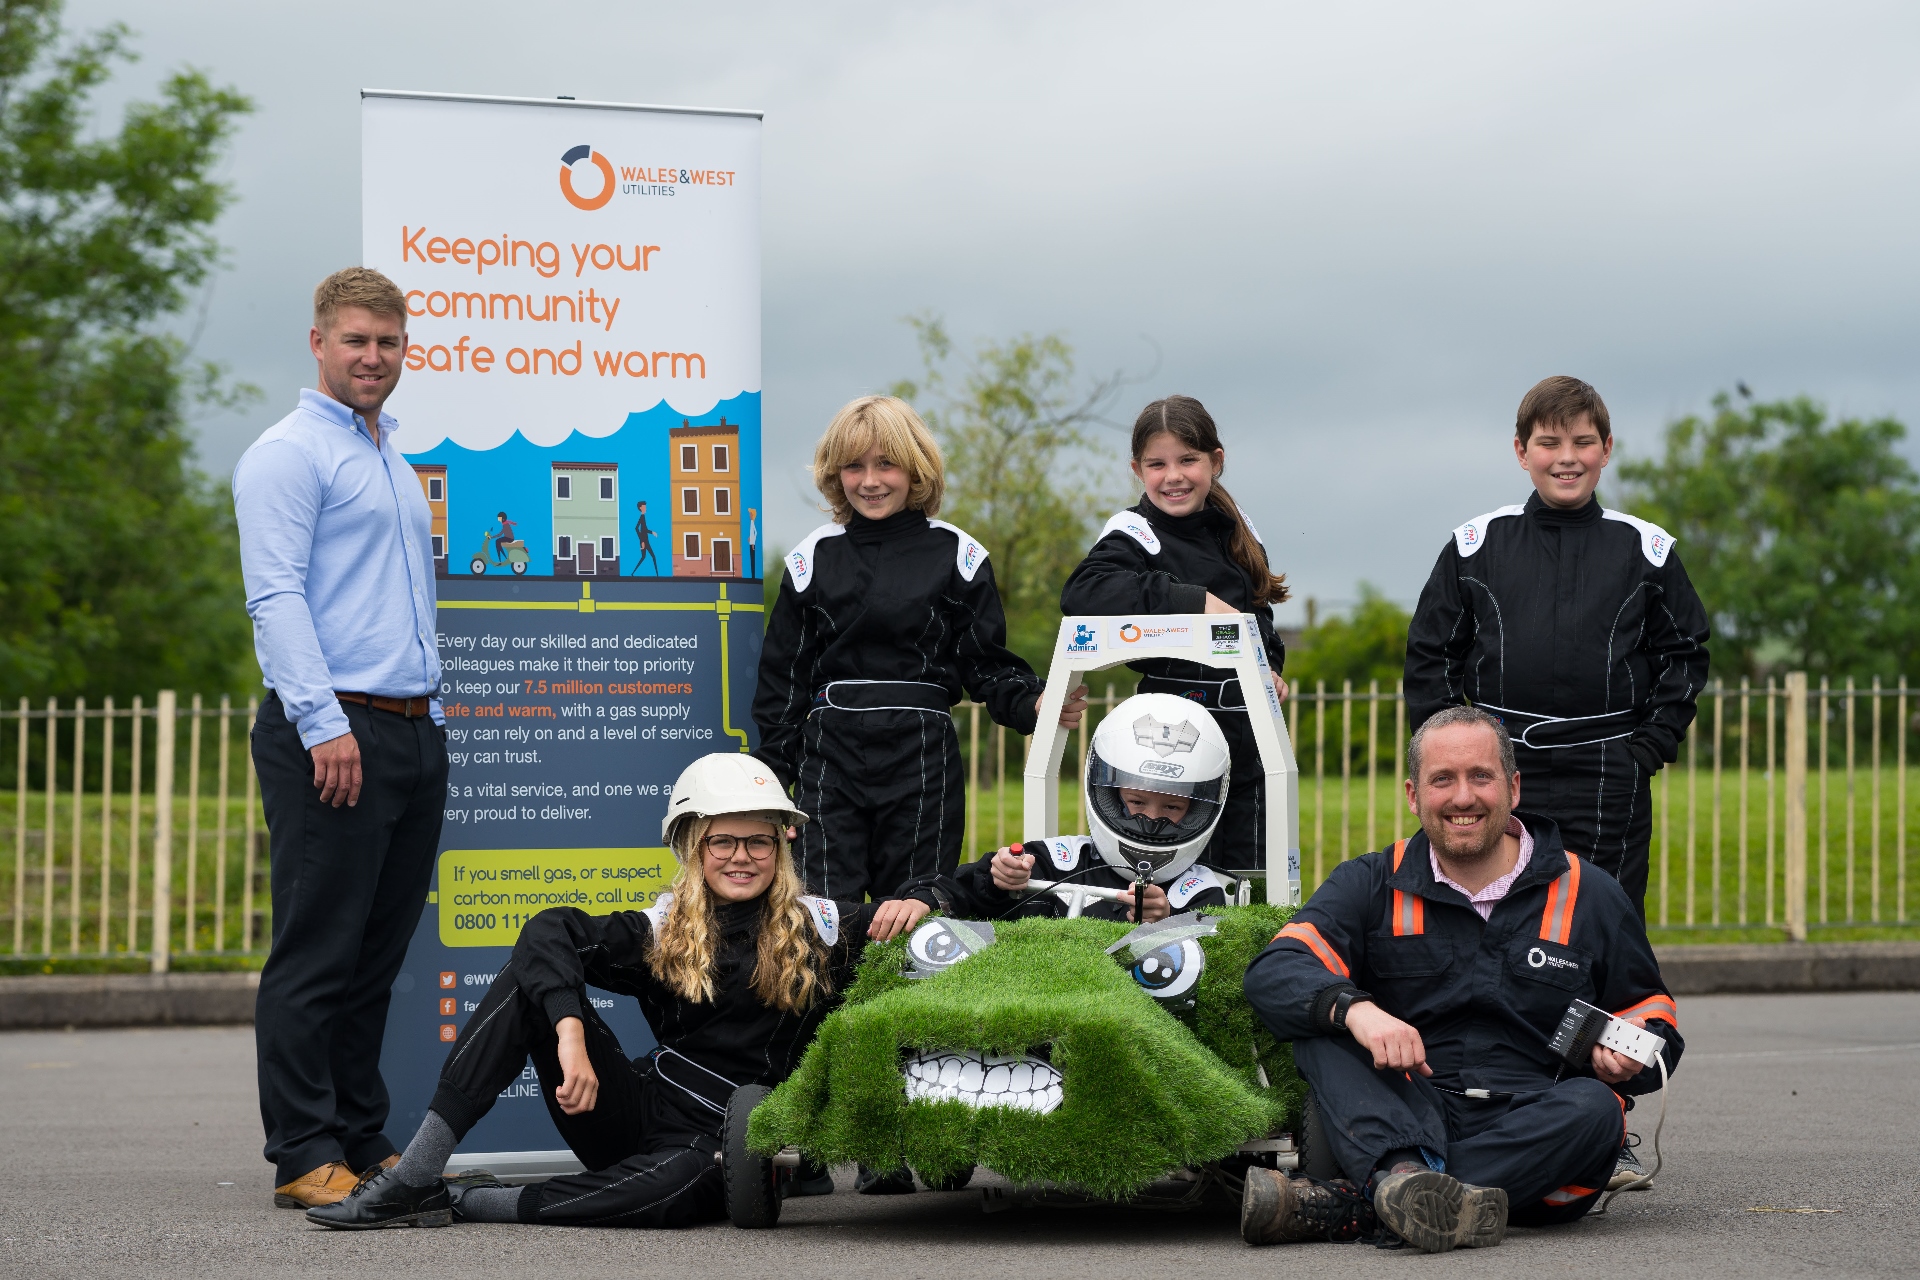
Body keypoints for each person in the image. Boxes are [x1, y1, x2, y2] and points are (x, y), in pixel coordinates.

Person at [307, 753, 951, 1230]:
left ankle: (468, 1201)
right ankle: (417, 1175)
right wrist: (569, 1031)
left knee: (674, 1197)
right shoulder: (665, 928)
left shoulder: (824, 926)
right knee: (529, 980)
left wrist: (931, 898)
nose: (740, 856)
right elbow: (546, 931)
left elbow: (952, 911)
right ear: (693, 847)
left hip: (721, 1141)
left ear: (780, 847)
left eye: (757, 840)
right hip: (633, 1110)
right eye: (721, 840)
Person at [1239, 706, 1681, 1253]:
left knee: (1595, 1110)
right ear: (1412, 794)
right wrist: (1359, 1011)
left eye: (1481, 776)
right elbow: (1276, 970)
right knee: (1322, 1026)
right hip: (1402, 1110)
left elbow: (1651, 1007)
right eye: (1442, 779)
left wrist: (1632, 1054)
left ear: (1513, 787)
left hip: (1533, 1129)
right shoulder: (1372, 881)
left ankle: (1363, 1201)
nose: (1463, 798)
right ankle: (1408, 1184)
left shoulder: (1588, 891)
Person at [232, 267, 449, 1209]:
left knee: (376, 960)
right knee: (317, 951)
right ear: (318, 343)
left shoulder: (391, 459)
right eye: (356, 340)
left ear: (407, 349)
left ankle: (362, 1137)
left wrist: (423, 723)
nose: (373, 357)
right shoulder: (287, 454)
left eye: (388, 343)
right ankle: (302, 1152)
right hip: (333, 731)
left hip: (406, 730)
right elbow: (274, 597)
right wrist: (324, 725)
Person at [753, 395, 1088, 908]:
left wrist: (1032, 702)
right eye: (854, 466)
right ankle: (828, 993)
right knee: (818, 913)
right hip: (828, 759)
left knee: (913, 908)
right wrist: (773, 791)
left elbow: (985, 662)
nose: (870, 481)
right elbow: (783, 687)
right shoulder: (811, 557)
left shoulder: (959, 554)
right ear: (833, 473)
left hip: (922, 757)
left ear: (916, 468)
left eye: (885, 463)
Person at [1403, 376, 1710, 918]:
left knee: (1603, 917)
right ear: (1522, 452)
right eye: (1549, 443)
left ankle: (1605, 1009)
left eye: (1583, 442)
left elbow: (1685, 654)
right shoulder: (1476, 546)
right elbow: (1431, 654)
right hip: (1500, 767)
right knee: (1492, 911)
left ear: (1606, 450)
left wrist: (1648, 748)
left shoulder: (1646, 551)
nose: (1567, 459)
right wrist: (1455, 757)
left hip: (1610, 771)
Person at [1060, 395, 1288, 872]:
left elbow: (1258, 615)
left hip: (1251, 728)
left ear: (1215, 462)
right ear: (1137, 470)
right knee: (1174, 869)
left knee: (1252, 872)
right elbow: (1085, 592)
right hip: (1172, 734)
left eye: (1188, 460)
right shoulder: (1134, 530)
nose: (1174, 476)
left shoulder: (1240, 530)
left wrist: (1271, 666)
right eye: (1157, 464)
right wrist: (1194, 602)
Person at [955, 693, 1238, 922]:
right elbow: (972, 898)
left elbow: (1207, 966)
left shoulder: (1199, 891)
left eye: (1172, 807)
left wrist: (1167, 921)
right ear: (1110, 796)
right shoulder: (1059, 862)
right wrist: (1002, 879)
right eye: (1137, 802)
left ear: (1197, 808)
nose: (1151, 820)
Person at [631, 499, 660, 576]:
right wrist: (642, 541)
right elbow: (636, 528)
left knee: (646, 557)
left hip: (646, 541)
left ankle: (657, 574)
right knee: (649, 557)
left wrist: (651, 532)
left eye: (645, 506)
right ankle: (657, 575)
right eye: (644, 507)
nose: (646, 508)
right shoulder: (642, 517)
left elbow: (644, 530)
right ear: (640, 508)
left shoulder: (643, 516)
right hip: (644, 541)